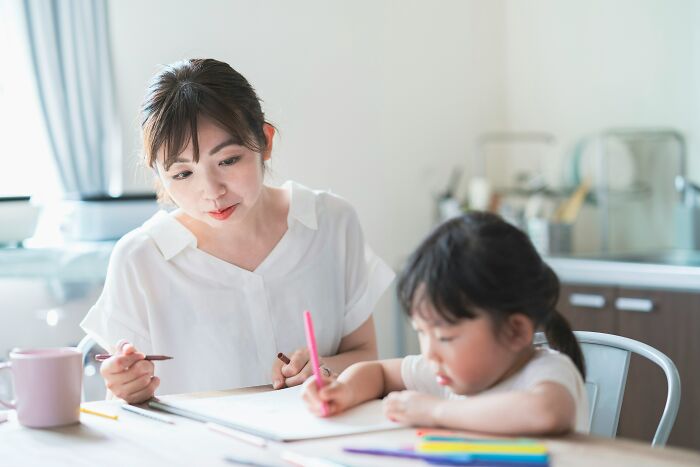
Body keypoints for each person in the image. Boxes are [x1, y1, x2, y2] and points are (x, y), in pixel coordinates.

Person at [80, 58, 394, 403]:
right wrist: (125, 387)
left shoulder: (332, 222)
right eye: (183, 174)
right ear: (159, 175)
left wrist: (325, 368)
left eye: (228, 161)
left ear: (265, 140)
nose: (212, 192)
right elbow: (125, 403)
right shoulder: (140, 259)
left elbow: (366, 354)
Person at [303, 211, 590, 435]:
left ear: (515, 331)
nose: (430, 353)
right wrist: (345, 390)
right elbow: (377, 372)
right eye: (422, 333)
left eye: (445, 337)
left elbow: (545, 412)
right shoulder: (453, 373)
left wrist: (435, 411)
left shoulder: (546, 372)